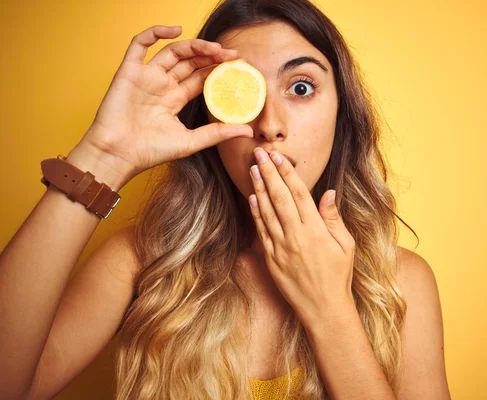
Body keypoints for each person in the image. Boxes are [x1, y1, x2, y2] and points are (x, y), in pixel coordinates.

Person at [0, 0, 451, 399]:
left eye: (301, 87)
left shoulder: (399, 282)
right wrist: (104, 155)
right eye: (241, 92)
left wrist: (329, 310)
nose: (269, 125)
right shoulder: (140, 264)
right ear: (207, 122)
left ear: (342, 111)